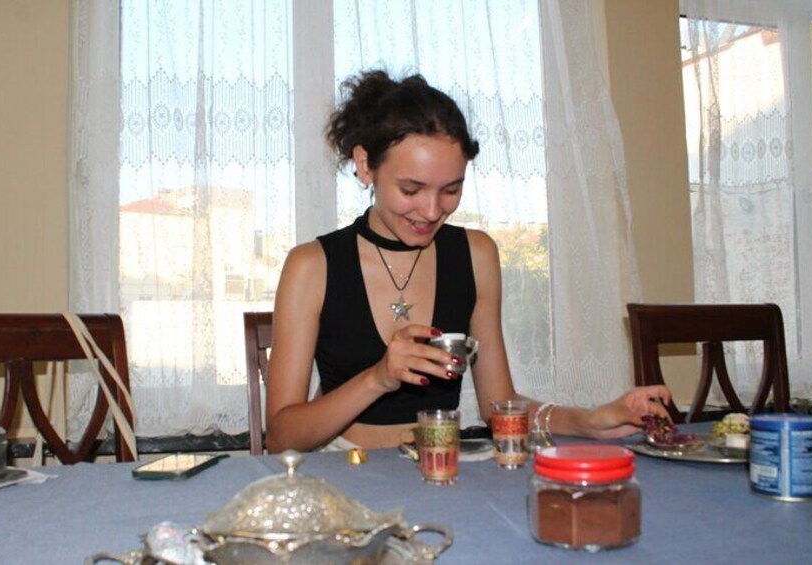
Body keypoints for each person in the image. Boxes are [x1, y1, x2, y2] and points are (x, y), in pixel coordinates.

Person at [265, 70, 671, 453]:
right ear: (366, 164)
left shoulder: (476, 254)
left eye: (451, 190)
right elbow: (282, 437)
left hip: (447, 466)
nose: (431, 210)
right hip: (346, 472)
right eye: (411, 189)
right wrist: (378, 377)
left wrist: (591, 421)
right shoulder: (312, 265)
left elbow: (501, 407)